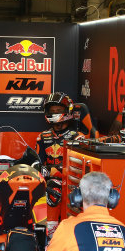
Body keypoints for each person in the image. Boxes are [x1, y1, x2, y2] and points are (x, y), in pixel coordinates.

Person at [35, 92, 84, 240]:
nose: (54, 114)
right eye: (52, 111)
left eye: (58, 111)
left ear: (67, 111)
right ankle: (48, 233)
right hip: (50, 182)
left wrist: (53, 171)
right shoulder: (42, 137)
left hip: (71, 181)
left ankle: (53, 232)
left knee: (54, 185)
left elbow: (78, 169)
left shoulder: (78, 137)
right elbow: (37, 163)